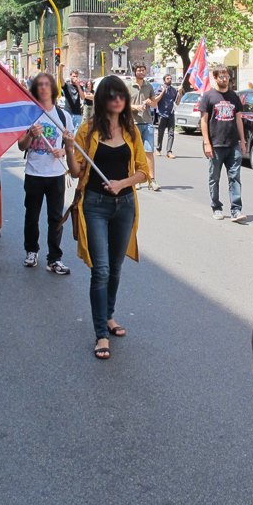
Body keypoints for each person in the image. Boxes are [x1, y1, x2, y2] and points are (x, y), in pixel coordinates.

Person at [66, 76, 150, 360]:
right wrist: (68, 146)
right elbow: (77, 172)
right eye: (111, 95)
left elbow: (143, 171)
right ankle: (101, 332)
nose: (117, 100)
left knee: (115, 267)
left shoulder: (130, 130)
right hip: (95, 205)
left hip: (124, 205)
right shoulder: (87, 130)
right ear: (102, 99)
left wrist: (121, 184)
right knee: (100, 269)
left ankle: (109, 315)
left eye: (121, 95)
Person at [17, 72, 76, 274]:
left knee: (55, 217)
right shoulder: (30, 115)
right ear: (35, 89)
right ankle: (31, 251)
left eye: (46, 84)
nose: (43, 88)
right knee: (32, 215)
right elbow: (21, 145)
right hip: (34, 173)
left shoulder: (63, 116)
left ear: (53, 89)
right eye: (39, 84)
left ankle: (54, 258)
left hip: (56, 174)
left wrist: (64, 149)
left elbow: (70, 144)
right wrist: (30, 135)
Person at [199, 63, 247, 222]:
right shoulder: (208, 96)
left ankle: (236, 210)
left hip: (233, 144)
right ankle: (216, 206)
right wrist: (207, 142)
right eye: (222, 76)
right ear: (215, 77)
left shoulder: (234, 96)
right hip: (216, 144)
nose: (225, 79)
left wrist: (243, 140)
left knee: (235, 177)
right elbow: (204, 121)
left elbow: (239, 119)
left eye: (227, 76)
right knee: (215, 177)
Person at [127, 62, 160, 191]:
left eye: (143, 70)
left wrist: (150, 102)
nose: (141, 72)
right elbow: (124, 104)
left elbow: (155, 104)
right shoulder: (128, 86)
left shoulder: (149, 86)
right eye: (139, 70)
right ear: (135, 72)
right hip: (133, 122)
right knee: (134, 152)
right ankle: (136, 179)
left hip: (147, 122)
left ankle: (152, 180)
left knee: (149, 151)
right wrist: (135, 107)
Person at [154, 73, 179, 158]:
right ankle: (158, 149)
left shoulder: (173, 90)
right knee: (160, 133)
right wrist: (163, 91)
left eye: (171, 78)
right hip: (162, 114)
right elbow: (156, 100)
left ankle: (169, 151)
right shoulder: (160, 88)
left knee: (171, 133)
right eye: (168, 78)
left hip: (171, 114)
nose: (170, 80)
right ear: (164, 80)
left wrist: (180, 93)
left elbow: (177, 102)